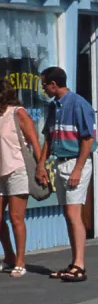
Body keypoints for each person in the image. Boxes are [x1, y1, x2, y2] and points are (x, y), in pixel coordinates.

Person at [37, 67, 95, 283]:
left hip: (74, 163)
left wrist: (78, 169)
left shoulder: (79, 104)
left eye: (45, 85)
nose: (43, 89)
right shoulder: (54, 107)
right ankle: (74, 262)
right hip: (59, 163)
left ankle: (80, 265)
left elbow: (88, 139)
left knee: (73, 214)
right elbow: (48, 138)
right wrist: (41, 164)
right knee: (67, 214)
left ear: (54, 84)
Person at [0, 80, 46, 278]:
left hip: (17, 169)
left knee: (16, 218)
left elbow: (35, 143)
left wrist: (41, 167)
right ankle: (9, 256)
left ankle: (20, 261)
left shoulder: (18, 113)